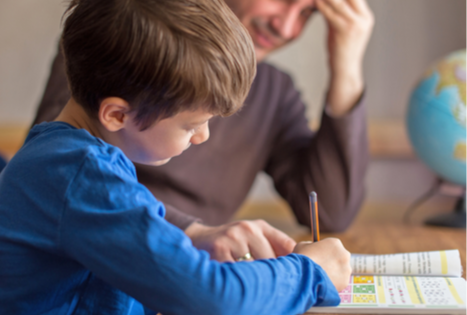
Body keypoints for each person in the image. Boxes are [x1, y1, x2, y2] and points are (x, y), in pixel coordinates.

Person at [0, 0, 352, 314]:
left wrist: (196, 247)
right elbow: (213, 300)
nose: (203, 137)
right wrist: (309, 272)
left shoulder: (75, 159)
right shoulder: (82, 176)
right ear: (117, 115)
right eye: (191, 124)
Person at [33, 0, 374, 263]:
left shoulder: (275, 92)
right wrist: (192, 232)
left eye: (307, 13)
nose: (285, 26)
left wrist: (346, 67)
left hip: (181, 275)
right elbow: (56, 172)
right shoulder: (122, 39)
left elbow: (329, 212)